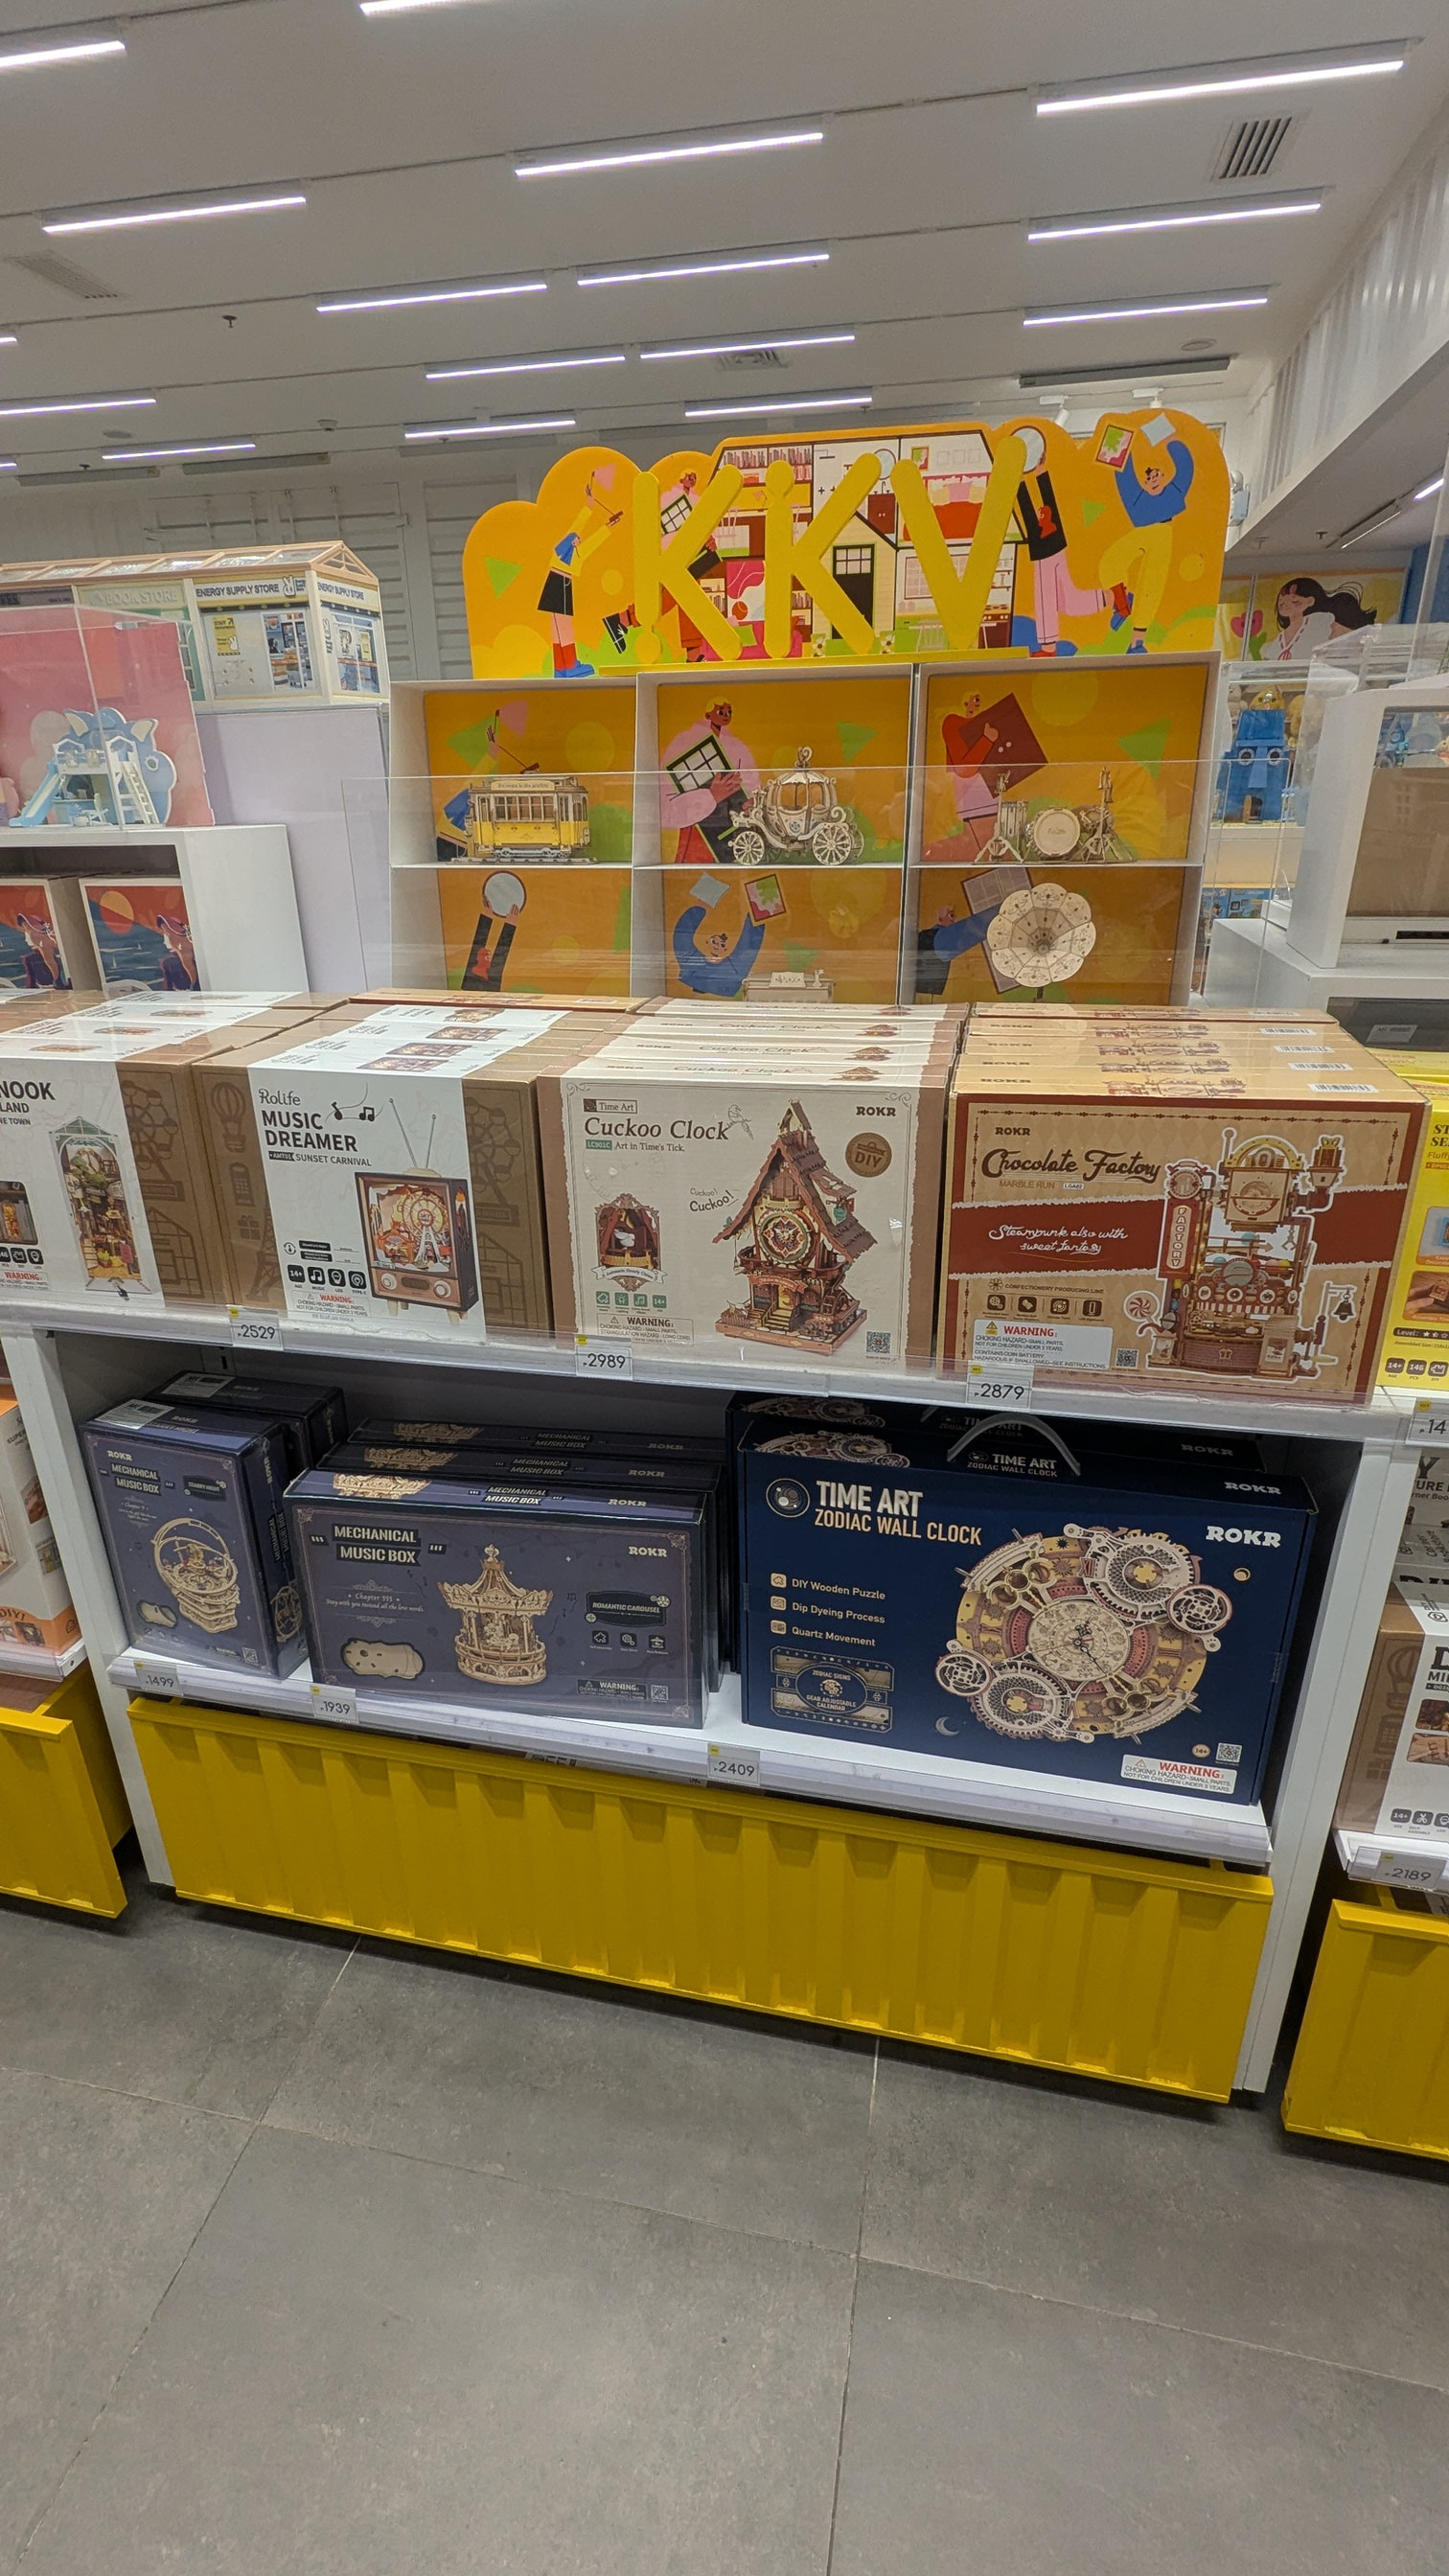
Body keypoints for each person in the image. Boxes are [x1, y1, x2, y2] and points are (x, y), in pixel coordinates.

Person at [1098, 430, 1196, 654]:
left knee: (1151, 584)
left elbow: (1185, 470)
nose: (1153, 481)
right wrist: (1118, 437)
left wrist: (1173, 442)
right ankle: (1123, 604)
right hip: (1143, 532)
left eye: (1157, 476)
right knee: (1110, 562)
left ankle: (1137, 642)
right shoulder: (1137, 498)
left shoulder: (1173, 493)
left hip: (1163, 532)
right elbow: (1124, 478)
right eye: (1148, 479)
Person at [1015, 426, 1107, 656]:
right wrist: (1036, 474)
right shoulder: (1048, 517)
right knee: (1068, 600)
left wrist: (1022, 480)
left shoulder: (1042, 520)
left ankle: (1048, 647)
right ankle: (1111, 596)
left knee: (1046, 597)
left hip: (1045, 550)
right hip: (1055, 546)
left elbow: (1033, 511)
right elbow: (1045, 504)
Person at [537, 471, 622, 678]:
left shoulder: (569, 551)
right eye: (576, 540)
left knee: (557, 626)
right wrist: (592, 511)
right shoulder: (571, 549)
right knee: (563, 626)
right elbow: (582, 532)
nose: (578, 539)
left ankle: (562, 667)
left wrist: (601, 520)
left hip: (556, 580)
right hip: (561, 581)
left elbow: (587, 538)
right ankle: (569, 665)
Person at [672, 901, 764, 998]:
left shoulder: (733, 969)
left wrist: (700, 908)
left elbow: (749, 944)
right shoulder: (734, 970)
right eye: (714, 941)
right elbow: (682, 937)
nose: (717, 946)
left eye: (722, 945)